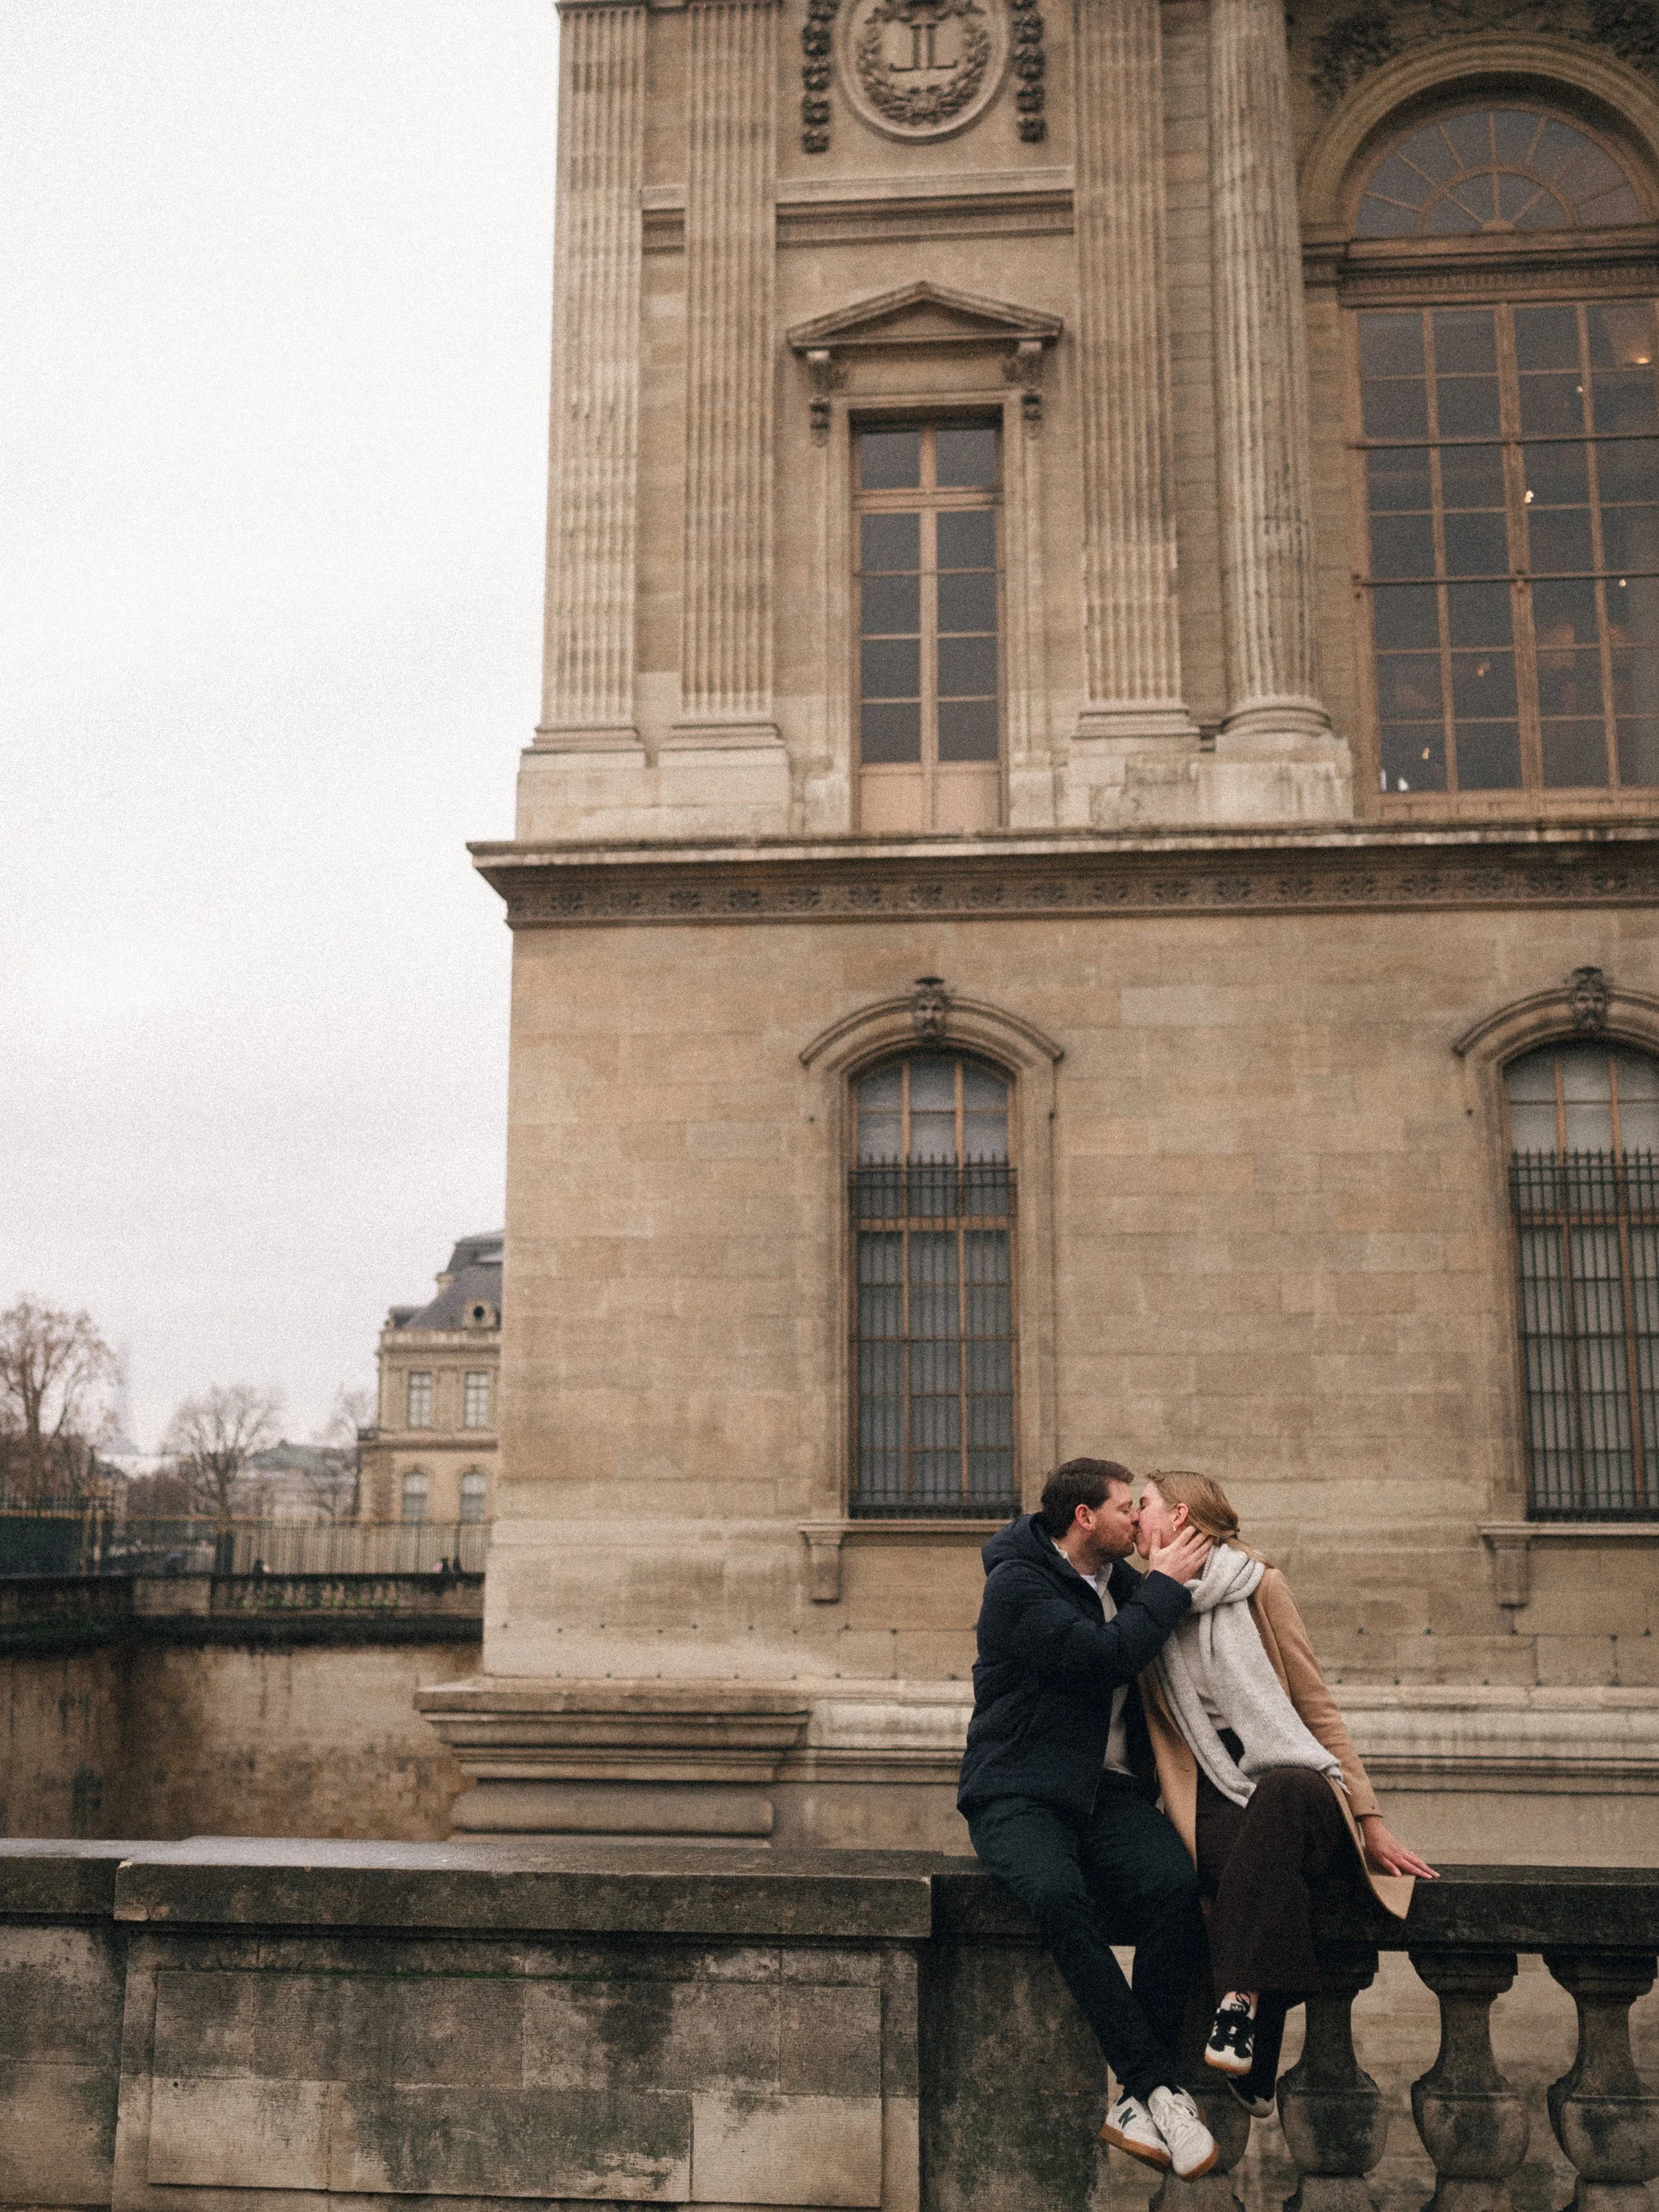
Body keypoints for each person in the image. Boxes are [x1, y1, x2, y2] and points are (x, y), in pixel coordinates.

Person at [1132, 1471, 1437, 2116]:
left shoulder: (1258, 1584)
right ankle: (1254, 2048)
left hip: (1295, 1784)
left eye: (1144, 1505)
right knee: (1266, 1876)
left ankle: (1240, 2004)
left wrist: (1370, 1819)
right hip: (1206, 1791)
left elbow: (1315, 1707)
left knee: (1282, 1795)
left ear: (1179, 1514)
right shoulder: (1142, 1607)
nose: (1133, 1517)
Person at [958, 1457, 1222, 2179]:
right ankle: (1154, 2086)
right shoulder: (1017, 1587)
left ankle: (1140, 2100)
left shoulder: (1124, 1585)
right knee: (1056, 1897)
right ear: (1084, 1518)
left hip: (1107, 1793)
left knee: (1174, 1889)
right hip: (1018, 1790)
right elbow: (1103, 1658)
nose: (1138, 1520)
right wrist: (1167, 1584)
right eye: (1124, 1508)